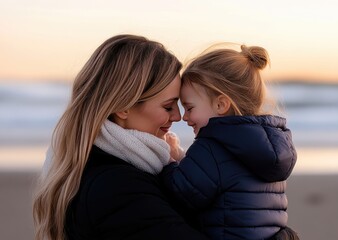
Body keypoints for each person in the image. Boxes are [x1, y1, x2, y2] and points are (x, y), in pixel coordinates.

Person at [32, 34, 210, 240]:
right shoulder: (116, 186)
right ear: (123, 107)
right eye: (168, 106)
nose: (178, 116)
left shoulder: (90, 165)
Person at [161, 44, 299, 240]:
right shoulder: (269, 148)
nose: (184, 117)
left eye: (189, 108)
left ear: (221, 105)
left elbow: (181, 195)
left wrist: (169, 161)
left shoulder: (211, 148)